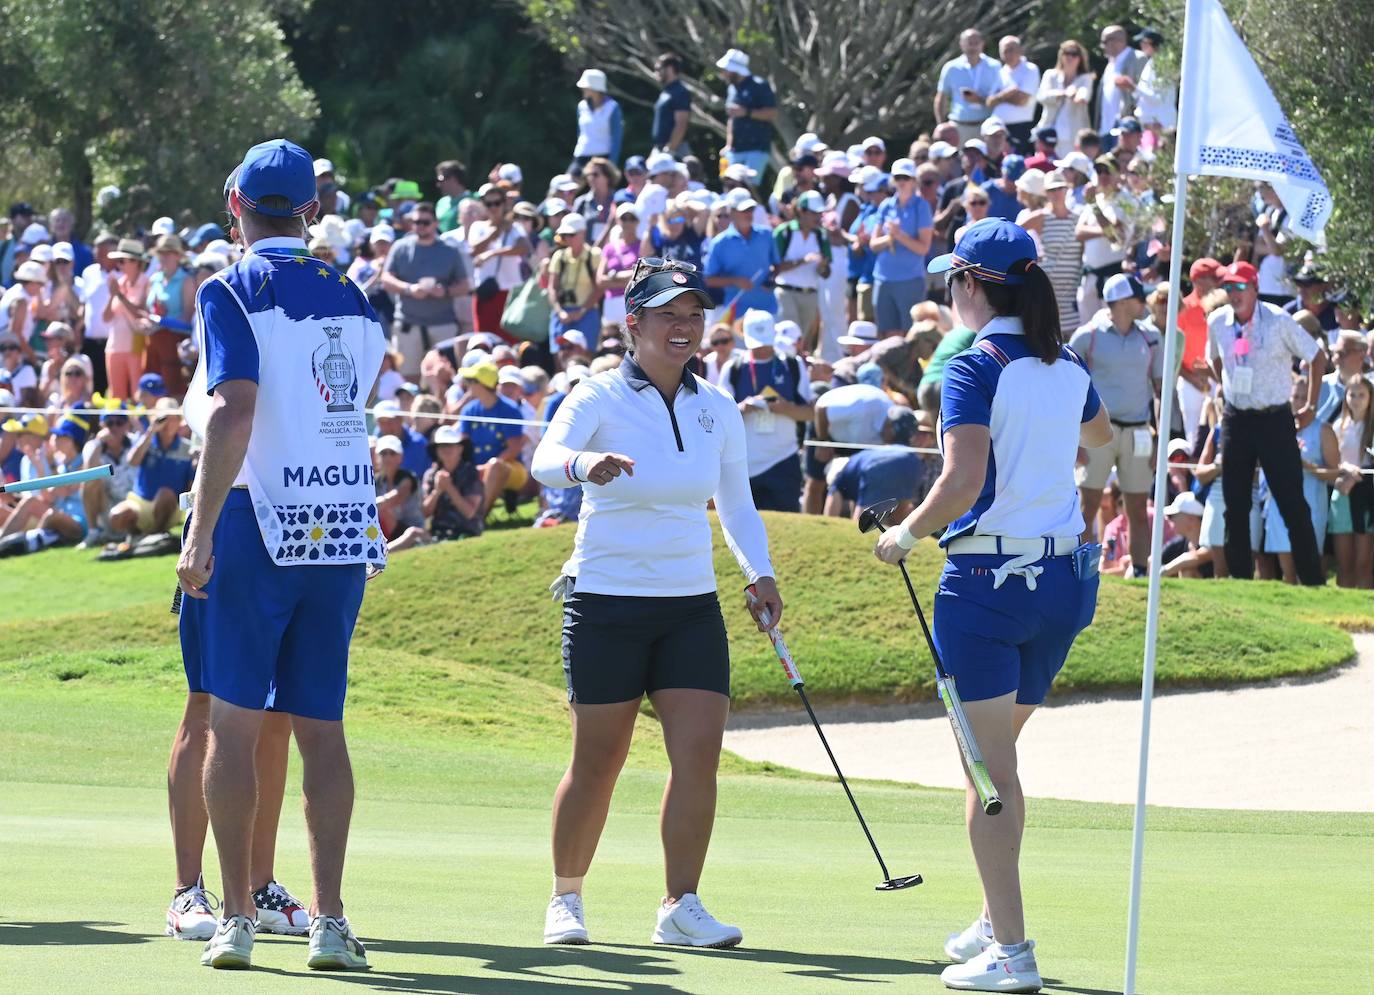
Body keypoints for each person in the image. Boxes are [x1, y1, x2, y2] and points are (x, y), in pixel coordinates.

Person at [872, 219, 1112, 993]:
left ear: (972, 286)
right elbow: (1103, 437)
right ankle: (990, 916)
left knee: (987, 771)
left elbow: (962, 481)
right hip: (1066, 583)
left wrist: (904, 534)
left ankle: (1012, 950)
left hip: (986, 588)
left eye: (954, 282)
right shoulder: (1066, 361)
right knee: (992, 758)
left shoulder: (976, 366)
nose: (951, 294)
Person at [531, 257, 782, 950]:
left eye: (694, 314)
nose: (684, 325)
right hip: (606, 603)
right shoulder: (598, 396)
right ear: (632, 323)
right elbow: (546, 457)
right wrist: (586, 465)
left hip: (689, 606)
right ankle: (567, 897)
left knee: (698, 755)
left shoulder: (717, 407)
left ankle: (681, 904)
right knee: (598, 761)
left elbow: (735, 502)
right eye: (668, 313)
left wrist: (760, 572)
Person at [176, 139, 382, 971]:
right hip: (339, 524)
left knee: (231, 718)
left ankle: (235, 916)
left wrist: (198, 529)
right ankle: (330, 919)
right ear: (313, 211)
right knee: (322, 728)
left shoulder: (228, 287)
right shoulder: (358, 297)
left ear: (237, 209)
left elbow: (234, 413)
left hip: (257, 522)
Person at [1207, 260, 1328, 585]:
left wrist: (1312, 406)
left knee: (1291, 503)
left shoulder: (1278, 320)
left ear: (1255, 288)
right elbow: (1213, 358)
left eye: (1240, 287)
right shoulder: (1217, 321)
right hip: (1236, 419)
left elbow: (1316, 356)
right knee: (1235, 503)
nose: (1234, 294)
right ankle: (1240, 580)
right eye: (1229, 288)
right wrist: (1225, 390)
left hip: (1275, 419)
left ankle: (1313, 580)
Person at [1069, 274, 1163, 573]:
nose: (1143, 303)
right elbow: (1069, 391)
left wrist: (1159, 438)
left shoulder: (1152, 337)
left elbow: (1160, 391)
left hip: (1138, 431)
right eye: (1138, 298)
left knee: (1138, 505)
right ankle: (1078, 568)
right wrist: (1074, 441)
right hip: (1096, 431)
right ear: (1123, 302)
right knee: (1089, 503)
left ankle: (1139, 569)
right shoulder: (1087, 336)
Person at [720, 309, 814, 512]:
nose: (762, 348)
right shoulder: (733, 368)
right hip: (743, 463)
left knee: (786, 529)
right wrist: (743, 408)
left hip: (784, 460)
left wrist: (785, 408)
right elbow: (719, 417)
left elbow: (810, 412)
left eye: (765, 341)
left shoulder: (793, 365)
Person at [1262, 374, 1339, 584]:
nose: (1298, 402)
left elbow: (1334, 474)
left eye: (1303, 398)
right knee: (1287, 571)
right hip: (1279, 503)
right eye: (1295, 396)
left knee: (1309, 569)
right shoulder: (1277, 429)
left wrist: (1307, 466)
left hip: (1312, 504)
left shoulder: (1323, 430)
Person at [380, 202, 470, 379]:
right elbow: (386, 278)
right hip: (408, 324)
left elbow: (465, 285)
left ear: (435, 223)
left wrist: (444, 291)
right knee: (407, 378)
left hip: (442, 324)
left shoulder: (450, 251)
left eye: (425, 222)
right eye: (416, 222)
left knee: (444, 377)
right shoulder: (400, 247)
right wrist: (408, 288)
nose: (420, 226)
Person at [868, 159, 934, 336]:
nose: (902, 181)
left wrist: (899, 236)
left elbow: (923, 248)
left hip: (910, 280)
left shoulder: (922, 207)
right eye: (898, 177)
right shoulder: (885, 206)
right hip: (883, 279)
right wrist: (890, 238)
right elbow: (874, 244)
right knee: (887, 334)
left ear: (914, 181)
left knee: (911, 334)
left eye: (906, 177)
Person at [828, 406, 925, 519]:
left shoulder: (866, 456)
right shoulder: (915, 459)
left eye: (885, 425)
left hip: (875, 467)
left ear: (892, 428)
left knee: (862, 525)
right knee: (898, 519)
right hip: (913, 465)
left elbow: (833, 499)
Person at [1330, 374, 1374, 588]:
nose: (1356, 399)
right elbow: (1330, 461)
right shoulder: (1339, 426)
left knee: (1363, 562)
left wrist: (1358, 473)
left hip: (1367, 495)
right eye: (1352, 394)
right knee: (1344, 563)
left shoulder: (1372, 428)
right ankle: (1342, 607)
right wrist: (1345, 469)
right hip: (1342, 492)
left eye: (1362, 395)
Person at [468, 187, 532, 334]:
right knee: (484, 339)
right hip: (486, 290)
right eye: (489, 204)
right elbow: (474, 250)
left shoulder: (515, 228)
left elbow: (523, 248)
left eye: (497, 203)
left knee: (511, 339)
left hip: (509, 292)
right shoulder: (478, 227)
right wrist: (495, 232)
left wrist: (492, 253)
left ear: (504, 204)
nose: (493, 208)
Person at [771, 190, 830, 346]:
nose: (818, 218)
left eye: (820, 213)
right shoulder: (784, 232)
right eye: (814, 213)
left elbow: (825, 273)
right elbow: (775, 267)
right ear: (802, 212)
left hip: (810, 294)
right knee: (789, 339)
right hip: (786, 292)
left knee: (803, 342)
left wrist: (822, 266)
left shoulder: (821, 236)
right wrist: (803, 261)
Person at [703, 196, 779, 316]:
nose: (748, 214)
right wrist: (735, 281)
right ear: (732, 213)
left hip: (768, 308)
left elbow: (777, 265)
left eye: (750, 210)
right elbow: (708, 279)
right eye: (744, 211)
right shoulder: (719, 243)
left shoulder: (766, 234)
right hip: (737, 312)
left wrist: (772, 278)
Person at [716, 48, 777, 181]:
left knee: (749, 186)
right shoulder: (732, 89)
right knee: (728, 183)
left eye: (726, 70)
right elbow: (732, 119)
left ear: (735, 70)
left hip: (756, 149)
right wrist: (728, 144)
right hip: (734, 150)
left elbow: (771, 113)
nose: (723, 73)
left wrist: (747, 112)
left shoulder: (759, 85)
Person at [934, 29, 1003, 144]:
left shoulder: (994, 66)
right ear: (961, 44)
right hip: (959, 126)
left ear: (982, 44)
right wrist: (941, 125)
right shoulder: (951, 67)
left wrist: (980, 99)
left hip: (986, 126)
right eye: (969, 43)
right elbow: (941, 97)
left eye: (976, 43)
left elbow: (1000, 96)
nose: (973, 47)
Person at [547, 214, 604, 349]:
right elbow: (552, 287)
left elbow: (600, 288)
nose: (567, 239)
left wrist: (582, 311)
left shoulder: (594, 254)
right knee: (560, 355)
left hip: (587, 313)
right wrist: (559, 311)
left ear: (583, 233)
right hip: (562, 314)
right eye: (564, 235)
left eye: (571, 234)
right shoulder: (559, 256)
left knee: (585, 354)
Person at [422, 424, 486, 540]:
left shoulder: (470, 473)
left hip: (467, 531)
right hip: (438, 532)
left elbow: (469, 513)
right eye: (442, 446)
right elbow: (425, 513)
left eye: (450, 445)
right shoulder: (431, 475)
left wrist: (450, 488)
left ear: (460, 448)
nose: (446, 449)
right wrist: (437, 491)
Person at [1035, 41, 1093, 157]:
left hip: (1072, 135)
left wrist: (1077, 95)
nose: (1070, 57)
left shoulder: (1085, 78)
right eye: (1067, 53)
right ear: (1061, 55)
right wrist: (1062, 93)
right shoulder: (1050, 75)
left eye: (1074, 54)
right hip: (1048, 132)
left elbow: (1085, 95)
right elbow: (1041, 96)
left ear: (1080, 58)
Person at [987, 37, 1040, 154]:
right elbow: (989, 102)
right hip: (997, 128)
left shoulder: (1030, 69)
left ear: (1020, 50)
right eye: (1005, 51)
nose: (1008, 54)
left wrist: (999, 98)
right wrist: (1007, 93)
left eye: (1011, 50)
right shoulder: (1001, 72)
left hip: (1019, 128)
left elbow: (1022, 100)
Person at [1095, 25, 1145, 142]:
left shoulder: (1138, 59)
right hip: (1105, 130)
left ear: (1116, 41)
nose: (1102, 46)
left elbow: (1145, 93)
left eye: (1104, 42)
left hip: (1126, 129)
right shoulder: (1110, 63)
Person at [572, 69, 623, 168]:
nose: (583, 89)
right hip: (581, 155)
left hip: (603, 157)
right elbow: (580, 133)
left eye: (586, 87)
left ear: (595, 88)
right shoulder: (581, 106)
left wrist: (611, 164)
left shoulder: (612, 107)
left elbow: (616, 138)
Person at [653, 54, 692, 157]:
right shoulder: (666, 91)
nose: (656, 73)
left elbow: (681, 124)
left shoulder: (680, 92)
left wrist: (671, 149)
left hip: (675, 150)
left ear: (670, 68)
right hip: (661, 148)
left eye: (658, 69)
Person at [434, 159, 472, 233]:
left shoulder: (475, 199)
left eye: (440, 180)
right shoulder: (441, 202)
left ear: (453, 179)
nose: (438, 185)